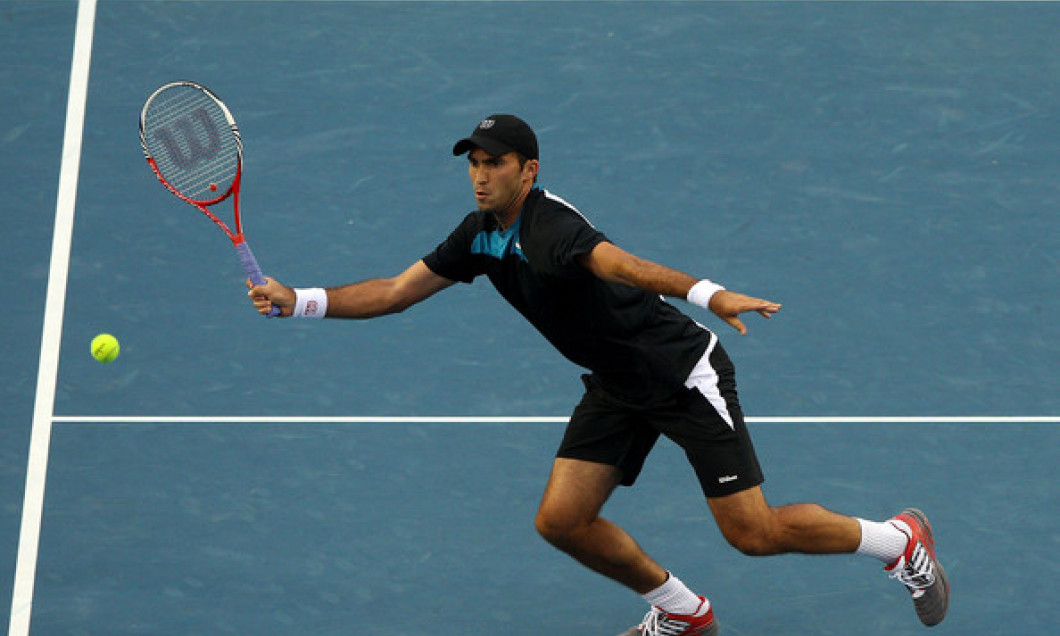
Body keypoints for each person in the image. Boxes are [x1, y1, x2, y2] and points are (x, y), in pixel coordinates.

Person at [247, 114, 949, 635]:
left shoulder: (552, 229)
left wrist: (710, 293)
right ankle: (681, 612)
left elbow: (623, 266)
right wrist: (300, 301)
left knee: (752, 533)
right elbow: (397, 291)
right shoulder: (478, 233)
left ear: (529, 170)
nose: (481, 174)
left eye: (495, 163)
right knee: (562, 519)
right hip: (617, 383)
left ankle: (898, 541)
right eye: (473, 163)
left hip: (679, 373)